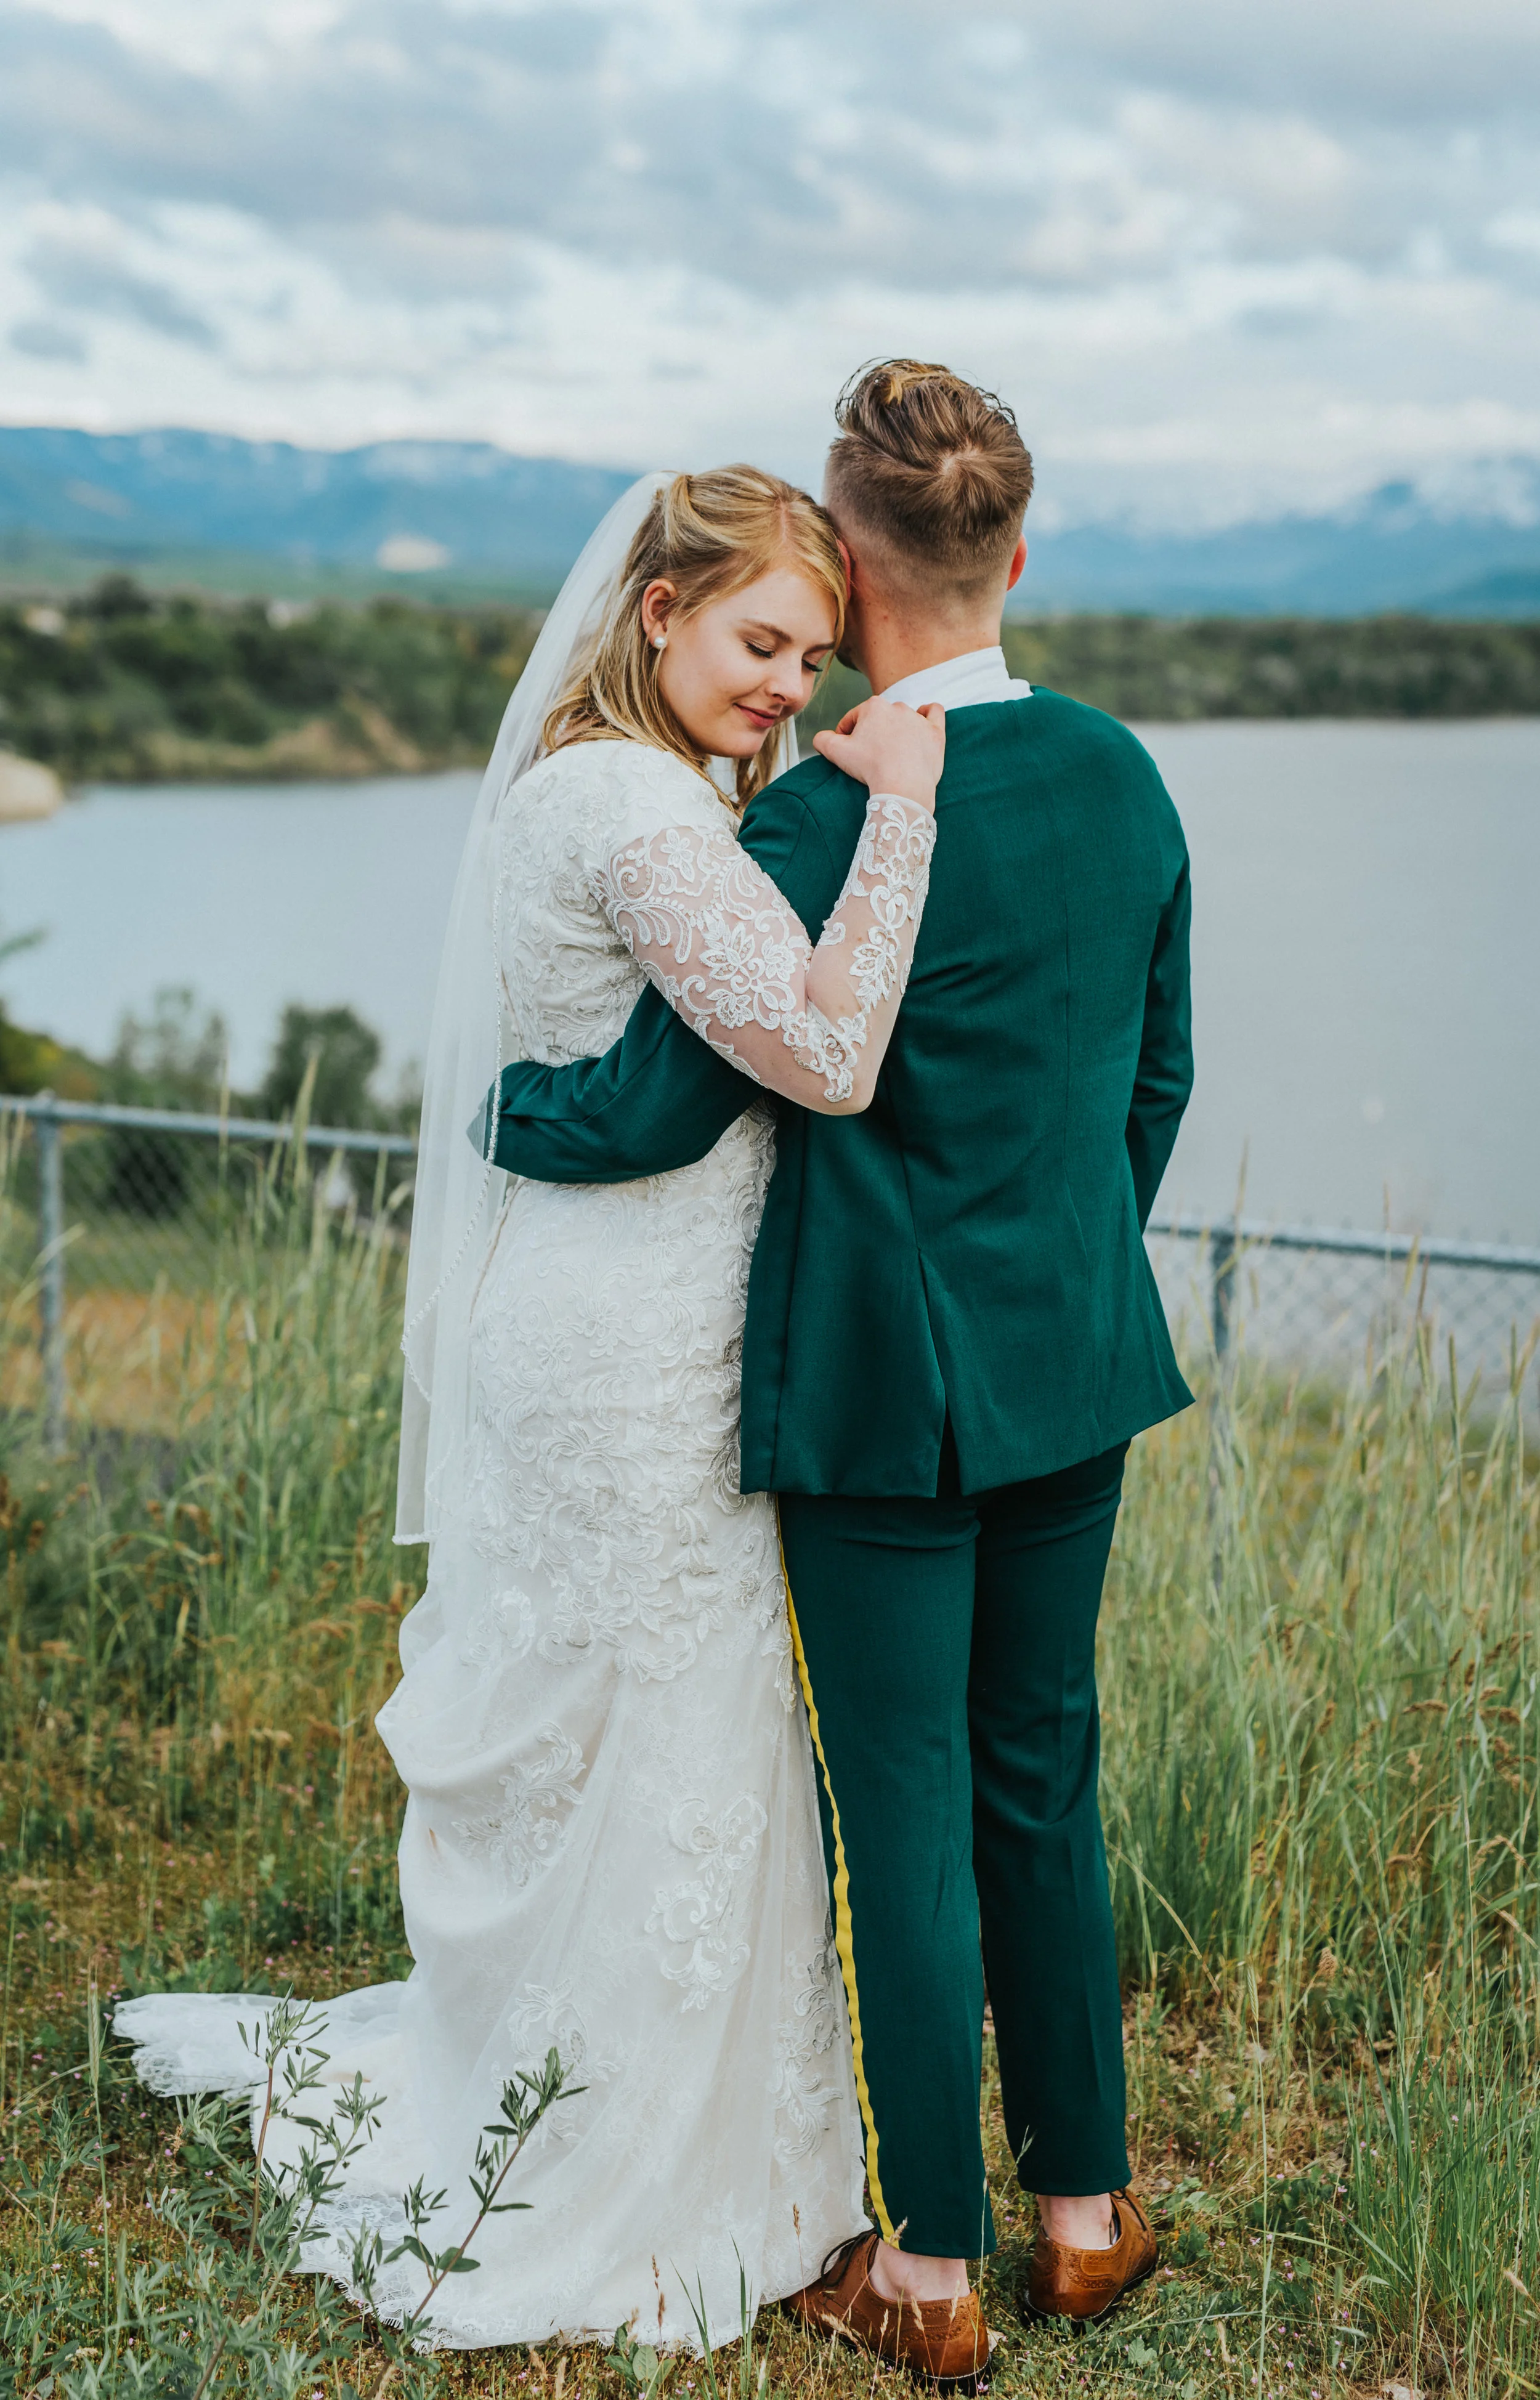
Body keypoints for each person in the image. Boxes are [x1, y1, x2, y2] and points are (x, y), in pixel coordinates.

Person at [116, 464, 947, 2349]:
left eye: (814, 660)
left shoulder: (616, 787)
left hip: (613, 1320)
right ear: (655, 608)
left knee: (634, 1731)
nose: (787, 690)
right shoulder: (629, 804)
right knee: (653, 1727)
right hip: (627, 1354)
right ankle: (612, 2167)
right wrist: (893, 807)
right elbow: (820, 1049)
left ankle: (659, 2120)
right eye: (757, 642)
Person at [482, 362, 1196, 2374]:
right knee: (1038, 1775)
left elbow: (653, 1102)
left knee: (902, 1807)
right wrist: (1057, 1266)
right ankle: (1084, 2209)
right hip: (1074, 1365)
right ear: (1015, 554)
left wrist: (511, 1124)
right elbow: (1155, 1077)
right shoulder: (1126, 774)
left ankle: (935, 2277)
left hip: (884, 1395)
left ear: (844, 557)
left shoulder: (814, 806)